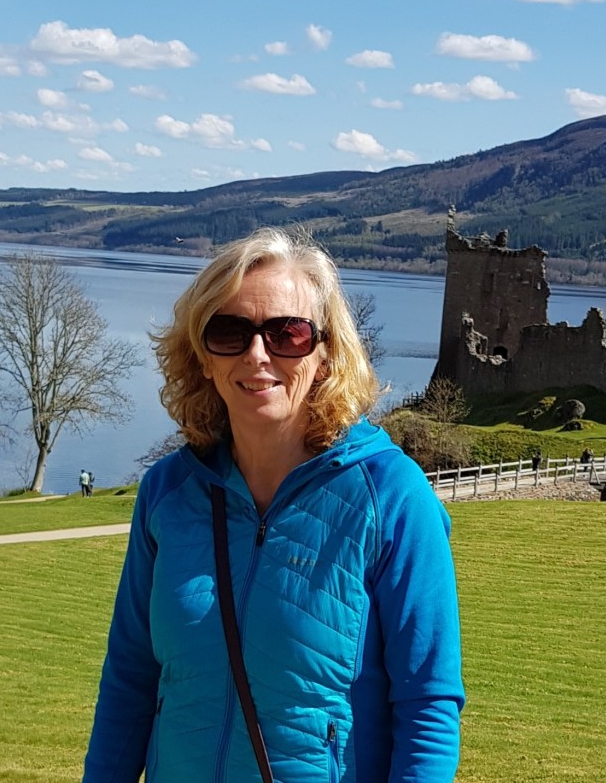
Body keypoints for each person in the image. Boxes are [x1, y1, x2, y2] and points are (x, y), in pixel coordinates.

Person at [83, 227, 464, 783]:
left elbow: (428, 708)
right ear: (203, 356)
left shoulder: (392, 496)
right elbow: (130, 680)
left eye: (287, 333)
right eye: (230, 331)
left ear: (326, 352)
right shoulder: (169, 491)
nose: (258, 355)